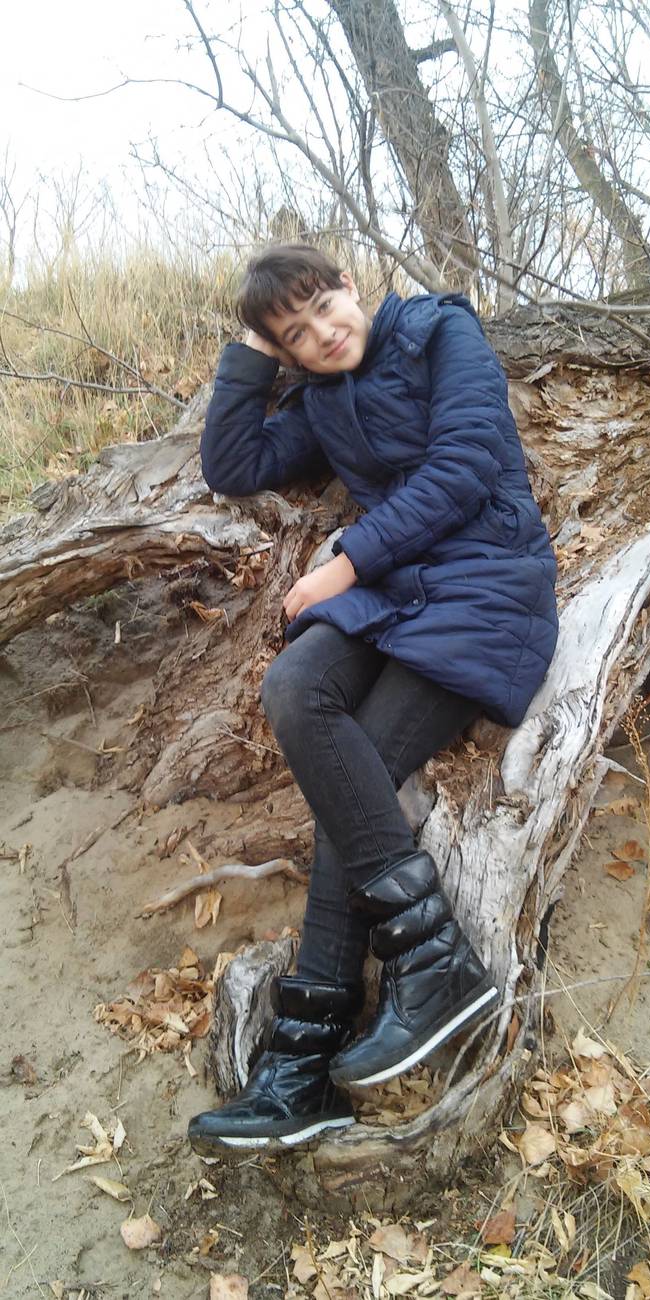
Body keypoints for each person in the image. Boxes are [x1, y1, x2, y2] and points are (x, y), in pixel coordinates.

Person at [188, 244, 558, 1155]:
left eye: (323, 307)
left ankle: (303, 1062)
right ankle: (428, 962)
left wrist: (345, 564)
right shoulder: (322, 397)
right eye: (294, 334)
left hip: (484, 589)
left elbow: (466, 464)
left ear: (350, 285)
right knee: (295, 684)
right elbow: (232, 462)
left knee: (348, 802)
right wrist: (253, 348)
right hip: (400, 594)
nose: (320, 334)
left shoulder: (439, 329)